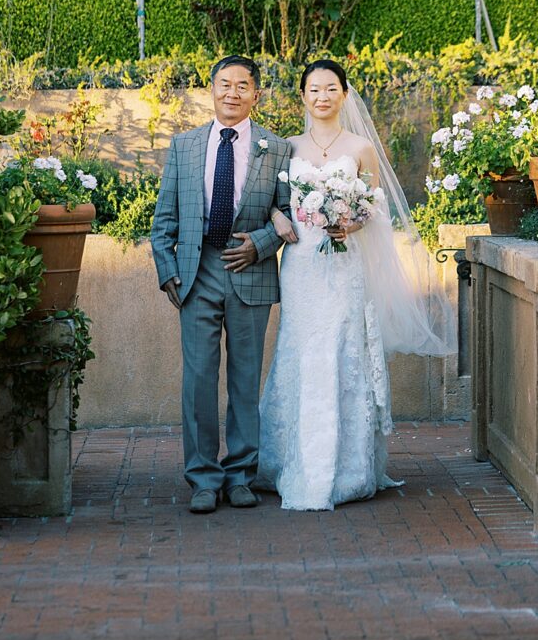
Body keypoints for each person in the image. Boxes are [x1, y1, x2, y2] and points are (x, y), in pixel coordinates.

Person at [257, 59, 456, 511]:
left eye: (331, 88)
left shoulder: (362, 147)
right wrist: (277, 217)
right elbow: (270, 203)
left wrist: (351, 220)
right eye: (313, 89)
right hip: (303, 265)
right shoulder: (286, 147)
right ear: (302, 96)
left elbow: (376, 209)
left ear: (344, 94)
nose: (322, 96)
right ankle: (288, 461)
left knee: (344, 350)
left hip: (345, 268)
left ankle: (347, 469)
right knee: (299, 349)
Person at [151, 55, 292, 514]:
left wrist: (262, 243)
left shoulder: (277, 148)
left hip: (249, 272)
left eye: (243, 85)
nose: (233, 93)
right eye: (225, 84)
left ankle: (240, 475)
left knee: (245, 379)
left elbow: (292, 213)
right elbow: (164, 220)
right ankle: (203, 478)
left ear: (256, 94)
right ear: (211, 89)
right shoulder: (185, 146)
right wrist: (167, 270)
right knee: (198, 379)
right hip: (196, 272)